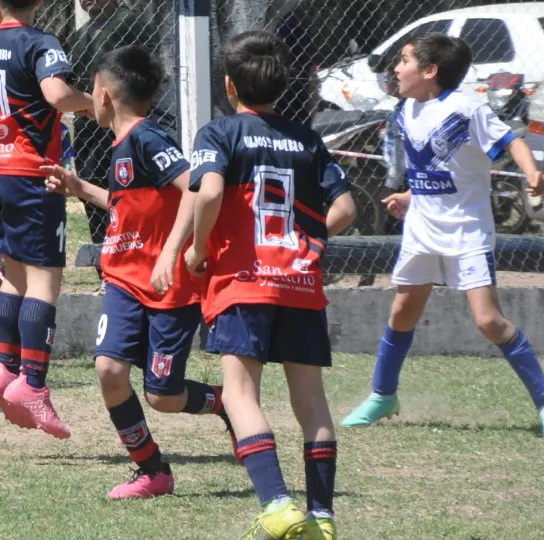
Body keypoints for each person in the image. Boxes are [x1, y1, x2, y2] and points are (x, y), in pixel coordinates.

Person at [183, 30, 355, 540]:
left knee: (240, 393)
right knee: (312, 402)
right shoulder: (307, 139)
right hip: (299, 282)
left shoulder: (219, 134)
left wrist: (197, 247)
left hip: (244, 282)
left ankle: (278, 505)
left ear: (230, 85)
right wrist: (306, 244)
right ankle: (322, 517)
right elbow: (344, 207)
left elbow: (210, 191)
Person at [42, 46, 233, 501]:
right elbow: (129, 209)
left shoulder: (148, 139)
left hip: (168, 285)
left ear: (104, 96)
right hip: (125, 282)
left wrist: (170, 254)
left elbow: (195, 186)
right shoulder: (123, 146)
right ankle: (152, 470)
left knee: (163, 395)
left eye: (91, 89)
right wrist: (80, 188)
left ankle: (226, 403)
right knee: (109, 370)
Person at [341, 33, 544, 435]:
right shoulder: (404, 113)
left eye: (404, 60)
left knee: (488, 321)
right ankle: (383, 396)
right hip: (421, 231)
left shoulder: (465, 110)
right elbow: (435, 170)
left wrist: (532, 172)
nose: (396, 68)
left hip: (466, 232)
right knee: (401, 312)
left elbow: (511, 140)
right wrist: (409, 196)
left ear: (430, 71)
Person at [0, 0, 93, 439]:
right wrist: (99, 105)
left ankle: (5, 369)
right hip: (31, 173)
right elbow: (58, 96)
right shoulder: (41, 43)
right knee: (45, 279)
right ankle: (33, 384)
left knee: (13, 271)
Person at [68, 0, 145, 245]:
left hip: (120, 128)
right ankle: (103, 257)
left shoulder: (131, 23)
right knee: (90, 191)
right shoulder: (80, 36)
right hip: (88, 132)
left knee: (123, 193)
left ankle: (127, 249)